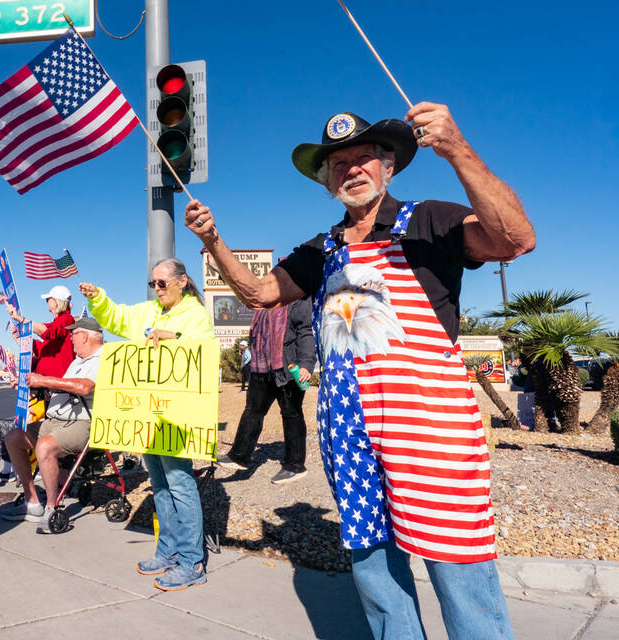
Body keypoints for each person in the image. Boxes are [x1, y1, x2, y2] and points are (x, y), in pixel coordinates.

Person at [184, 103, 535, 639]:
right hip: (349, 430)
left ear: (388, 167)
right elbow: (258, 294)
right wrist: (213, 241)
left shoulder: (427, 220)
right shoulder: (320, 250)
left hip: (427, 427)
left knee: (457, 556)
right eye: (338, 162)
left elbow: (515, 240)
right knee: (373, 565)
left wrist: (459, 150)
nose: (351, 168)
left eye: (364, 156)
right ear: (326, 181)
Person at [80, 258, 213, 591]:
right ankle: (167, 552)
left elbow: (205, 355)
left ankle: (192, 561)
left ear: (181, 281)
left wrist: (176, 337)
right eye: (153, 283)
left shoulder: (195, 314)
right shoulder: (149, 311)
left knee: (181, 485)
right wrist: (98, 298)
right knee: (161, 485)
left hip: (178, 419)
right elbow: (118, 317)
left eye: (162, 283)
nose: (157, 289)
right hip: (149, 417)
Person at [0, 316, 103, 528]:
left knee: (45, 445)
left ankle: (51, 507)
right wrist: (27, 383)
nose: (71, 338)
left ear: (84, 335)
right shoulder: (78, 360)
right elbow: (62, 385)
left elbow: (85, 387)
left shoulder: (102, 358)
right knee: (13, 437)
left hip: (82, 424)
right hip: (56, 420)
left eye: (73, 334)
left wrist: (43, 379)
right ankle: (32, 502)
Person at [216, 296, 315, 484]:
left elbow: (305, 331)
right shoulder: (264, 301)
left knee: (292, 414)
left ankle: (295, 466)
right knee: (252, 411)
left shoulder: (298, 299)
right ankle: (239, 456)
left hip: (288, 367)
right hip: (261, 368)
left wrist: (306, 363)